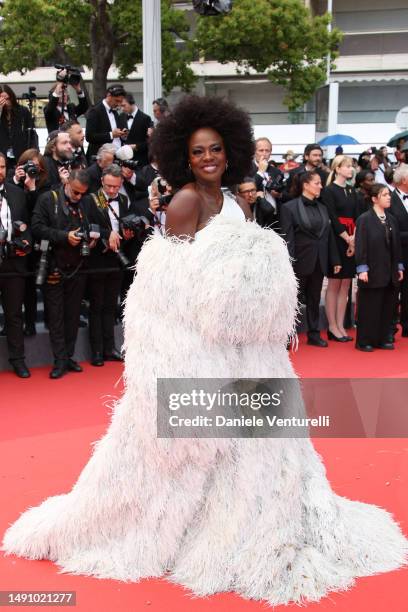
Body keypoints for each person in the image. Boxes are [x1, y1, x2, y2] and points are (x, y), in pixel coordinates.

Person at [3, 96, 408, 608]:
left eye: (217, 149)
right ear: (184, 158)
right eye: (199, 152)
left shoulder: (237, 204)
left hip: (249, 354)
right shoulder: (185, 204)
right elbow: (168, 292)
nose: (210, 158)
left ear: (230, 150)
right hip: (203, 354)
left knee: (259, 457)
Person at [31, 169, 93, 379]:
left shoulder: (84, 201)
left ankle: (68, 356)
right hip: (53, 265)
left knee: (73, 315)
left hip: (78, 267)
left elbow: (93, 226)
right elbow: (37, 228)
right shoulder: (48, 199)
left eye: (82, 193)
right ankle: (59, 360)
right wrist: (64, 236)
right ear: (66, 182)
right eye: (75, 192)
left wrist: (91, 237)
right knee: (56, 316)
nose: (78, 197)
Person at [280, 171, 341, 347]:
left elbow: (327, 236)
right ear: (305, 185)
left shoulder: (322, 207)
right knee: (293, 301)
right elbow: (287, 238)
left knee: (314, 299)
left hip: (319, 261)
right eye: (317, 183)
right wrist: (288, 263)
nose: (321, 186)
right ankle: (287, 336)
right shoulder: (289, 207)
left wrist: (334, 260)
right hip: (299, 261)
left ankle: (314, 334)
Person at [84, 164, 132, 366]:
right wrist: (106, 235)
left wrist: (128, 233)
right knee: (96, 306)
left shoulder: (122, 199)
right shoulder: (90, 200)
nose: (112, 190)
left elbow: (124, 224)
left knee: (111, 306)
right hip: (97, 259)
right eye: (109, 186)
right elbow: (86, 227)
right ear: (102, 181)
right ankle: (96, 351)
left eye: (116, 186)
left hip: (117, 258)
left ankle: (109, 347)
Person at [355, 183, 403, 351]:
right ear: (375, 199)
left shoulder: (392, 219)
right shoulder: (364, 219)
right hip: (371, 270)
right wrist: (362, 268)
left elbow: (396, 246)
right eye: (384, 195)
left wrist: (399, 267)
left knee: (387, 306)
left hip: (390, 271)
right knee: (370, 307)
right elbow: (361, 246)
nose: (389, 197)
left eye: (389, 194)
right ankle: (364, 341)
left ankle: (383, 338)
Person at [7, 149, 50, 337]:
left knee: (31, 285)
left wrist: (31, 187)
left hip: (36, 242)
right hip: (14, 241)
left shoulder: (45, 187)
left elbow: (36, 213)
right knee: (13, 286)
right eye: (28, 166)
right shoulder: (10, 183)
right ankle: (9, 324)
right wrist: (16, 182)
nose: (32, 170)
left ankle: (31, 322)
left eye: (36, 168)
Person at [0, 152, 32, 378]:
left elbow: (27, 225)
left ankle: (18, 360)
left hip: (14, 263)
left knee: (14, 315)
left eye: (2, 167)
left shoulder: (17, 194)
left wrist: (26, 241)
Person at [321, 155, 358, 342]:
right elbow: (333, 217)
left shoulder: (352, 191)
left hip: (352, 237)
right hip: (336, 240)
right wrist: (347, 238)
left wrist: (354, 239)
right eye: (347, 166)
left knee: (346, 284)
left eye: (351, 166)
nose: (351, 169)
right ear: (337, 169)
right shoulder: (329, 191)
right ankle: (332, 326)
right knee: (335, 283)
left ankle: (341, 325)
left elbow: (358, 215)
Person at [389, 163, 408, 336]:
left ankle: (407, 325)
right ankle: (390, 326)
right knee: (394, 291)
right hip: (395, 253)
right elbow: (390, 230)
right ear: (404, 180)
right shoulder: (390, 199)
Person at [85, 84, 128, 161]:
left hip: (116, 157)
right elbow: (89, 136)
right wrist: (111, 134)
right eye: (116, 101)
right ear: (108, 95)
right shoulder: (95, 111)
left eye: (120, 102)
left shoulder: (115, 112)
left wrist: (122, 135)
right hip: (100, 158)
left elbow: (117, 133)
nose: (118, 104)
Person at [0, 85, 37, 170]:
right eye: (3, 99)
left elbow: (32, 134)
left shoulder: (22, 111)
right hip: (2, 155)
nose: (6, 102)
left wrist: (33, 153)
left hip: (21, 154)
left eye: (8, 99)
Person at [119, 93, 153, 168]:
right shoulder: (121, 117)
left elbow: (149, 142)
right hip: (125, 161)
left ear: (132, 103)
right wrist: (123, 136)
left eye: (124, 105)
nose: (122, 109)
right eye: (120, 106)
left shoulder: (145, 118)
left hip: (140, 161)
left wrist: (136, 146)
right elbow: (121, 139)